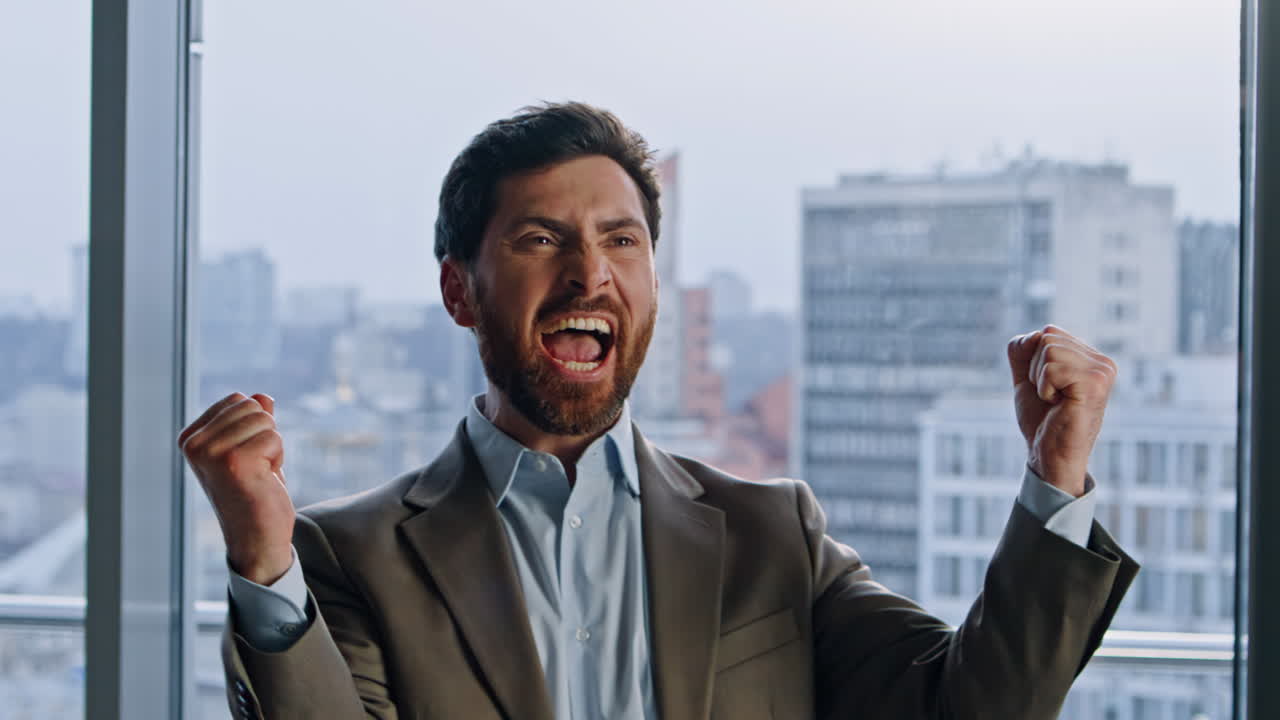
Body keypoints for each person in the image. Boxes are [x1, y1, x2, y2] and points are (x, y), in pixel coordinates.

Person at [178, 102, 1138, 720]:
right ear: (459, 291)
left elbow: (974, 709)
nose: (589, 272)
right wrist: (264, 561)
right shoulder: (348, 559)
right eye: (541, 238)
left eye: (622, 240)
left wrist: (1055, 479)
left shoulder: (775, 537)